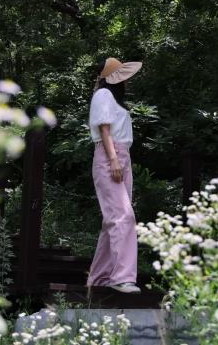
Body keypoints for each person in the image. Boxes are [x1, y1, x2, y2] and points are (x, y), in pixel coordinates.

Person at [86, 57, 143, 294]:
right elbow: (104, 128)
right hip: (111, 156)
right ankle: (121, 278)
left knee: (114, 219)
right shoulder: (103, 95)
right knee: (123, 216)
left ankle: (98, 279)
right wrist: (113, 160)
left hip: (121, 156)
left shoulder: (114, 100)